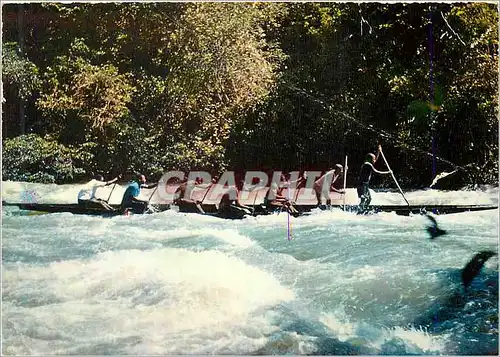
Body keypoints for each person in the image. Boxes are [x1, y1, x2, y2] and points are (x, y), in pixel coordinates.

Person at [357, 145, 392, 212]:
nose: (375, 160)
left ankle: (363, 211)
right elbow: (377, 172)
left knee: (369, 199)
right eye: (373, 159)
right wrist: (388, 172)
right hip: (361, 185)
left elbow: (376, 159)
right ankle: (359, 212)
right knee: (363, 199)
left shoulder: (369, 163)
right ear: (370, 159)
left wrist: (378, 151)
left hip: (365, 185)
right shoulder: (367, 164)